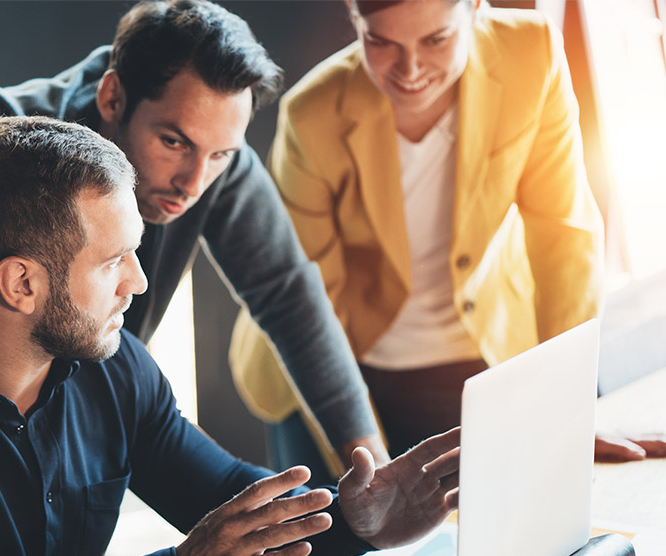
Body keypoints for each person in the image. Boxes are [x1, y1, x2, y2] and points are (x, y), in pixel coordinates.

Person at [0, 114, 460, 556]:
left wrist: (354, 519)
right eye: (114, 261)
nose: (138, 284)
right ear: (21, 282)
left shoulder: (111, 371)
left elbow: (229, 502)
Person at [0, 0, 389, 470]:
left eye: (221, 154)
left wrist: (372, 467)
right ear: (112, 97)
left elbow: (288, 297)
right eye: (174, 142)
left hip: (28, 442)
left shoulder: (211, 162)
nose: (197, 180)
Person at [230, 0, 666, 465]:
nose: (410, 69)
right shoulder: (313, 113)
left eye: (436, 39)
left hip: (480, 356)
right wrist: (361, 451)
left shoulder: (530, 53)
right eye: (381, 42)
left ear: (475, 10)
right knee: (337, 526)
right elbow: (309, 295)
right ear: (355, 21)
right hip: (338, 366)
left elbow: (563, 235)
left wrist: (568, 407)